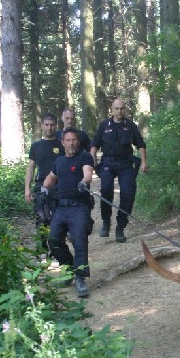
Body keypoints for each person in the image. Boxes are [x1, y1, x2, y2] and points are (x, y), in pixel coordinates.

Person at [42, 127, 94, 298]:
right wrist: (43, 188)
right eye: (68, 140)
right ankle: (71, 268)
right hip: (61, 208)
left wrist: (84, 182)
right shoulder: (60, 161)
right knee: (54, 240)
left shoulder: (84, 157)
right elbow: (50, 179)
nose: (72, 143)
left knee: (79, 239)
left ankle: (80, 278)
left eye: (74, 140)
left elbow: (88, 173)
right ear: (63, 143)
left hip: (79, 206)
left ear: (78, 142)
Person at [90, 98, 148, 243]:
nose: (119, 111)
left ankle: (120, 227)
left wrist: (144, 162)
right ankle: (106, 222)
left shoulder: (130, 125)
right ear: (112, 109)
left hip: (125, 162)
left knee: (128, 193)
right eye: (116, 108)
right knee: (106, 191)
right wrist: (93, 160)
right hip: (108, 163)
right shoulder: (104, 125)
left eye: (122, 108)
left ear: (125, 109)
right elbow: (94, 144)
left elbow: (140, 144)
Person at [25, 113, 65, 259]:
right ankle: (42, 251)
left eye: (52, 125)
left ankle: (56, 251)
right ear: (42, 126)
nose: (49, 127)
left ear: (56, 126)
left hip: (60, 187)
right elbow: (30, 168)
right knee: (42, 219)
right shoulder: (36, 146)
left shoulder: (62, 144)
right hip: (41, 186)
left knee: (58, 220)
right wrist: (27, 189)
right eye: (46, 125)